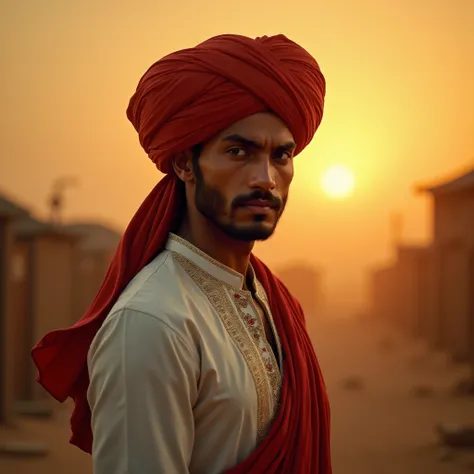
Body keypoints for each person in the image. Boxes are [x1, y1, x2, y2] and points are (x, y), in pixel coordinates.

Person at [31, 33, 332, 474]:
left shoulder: (271, 298)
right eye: (238, 151)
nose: (266, 178)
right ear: (184, 164)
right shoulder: (152, 324)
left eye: (281, 155)